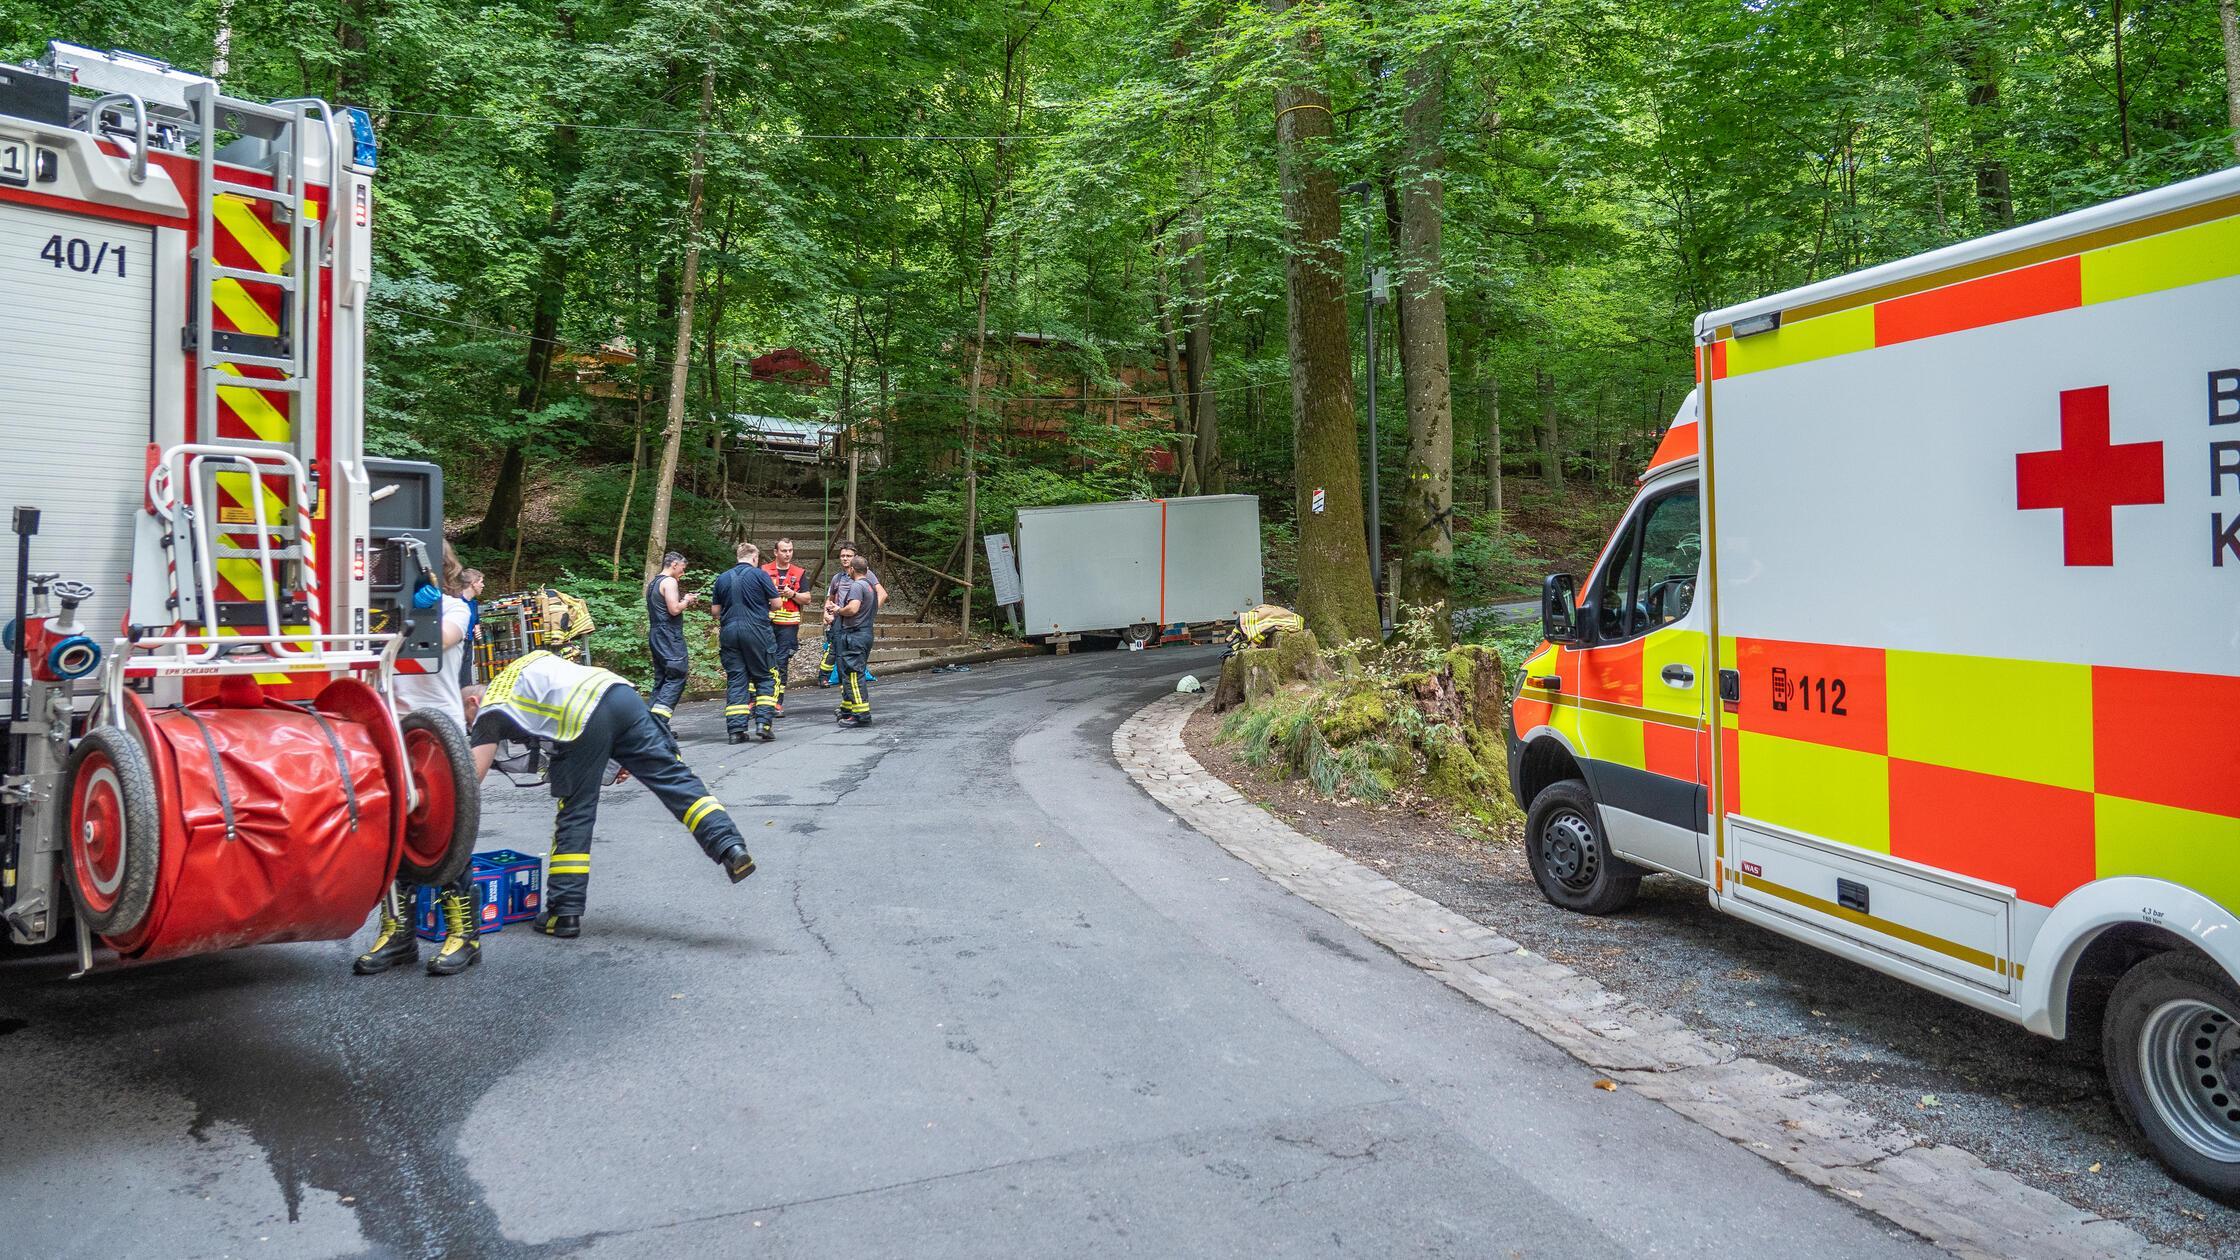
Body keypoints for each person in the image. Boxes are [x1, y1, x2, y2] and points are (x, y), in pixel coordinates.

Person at [469, 649, 757, 938]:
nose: (471, 729)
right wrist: (618, 751)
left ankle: (563, 912)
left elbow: (470, 780)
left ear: (473, 702)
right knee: (675, 780)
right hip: (619, 695)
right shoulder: (525, 667)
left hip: (582, 716)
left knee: (576, 810)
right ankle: (729, 846)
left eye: (467, 722)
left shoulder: (490, 706)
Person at [358, 561, 487, 977]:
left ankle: (464, 937)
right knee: (396, 837)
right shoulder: (376, 612)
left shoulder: (455, 609)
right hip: (393, 732)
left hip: (439, 736)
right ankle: (398, 936)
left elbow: (438, 640)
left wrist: (413, 614)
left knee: (448, 837)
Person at [713, 541, 785, 743]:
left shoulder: (722, 578)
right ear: (754, 558)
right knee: (766, 676)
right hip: (756, 631)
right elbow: (777, 603)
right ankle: (763, 723)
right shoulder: (760, 575)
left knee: (737, 679)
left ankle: (736, 731)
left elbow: (715, 611)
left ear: (738, 557)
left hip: (729, 631)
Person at [817, 541, 886, 686]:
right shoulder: (837, 578)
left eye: (848, 556)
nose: (845, 558)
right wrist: (826, 614)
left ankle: (850, 680)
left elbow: (882, 594)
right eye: (842, 555)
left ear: (855, 558)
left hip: (857, 623)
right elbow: (830, 599)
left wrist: (869, 613)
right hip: (839, 619)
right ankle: (824, 677)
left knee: (852, 652)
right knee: (833, 649)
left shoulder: (865, 574)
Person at [645, 551, 694, 734]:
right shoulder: (670, 582)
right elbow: (674, 609)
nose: (683, 572)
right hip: (669, 634)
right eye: (682, 568)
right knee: (676, 674)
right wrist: (687, 600)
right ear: (674, 564)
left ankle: (650, 724)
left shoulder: (653, 583)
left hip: (656, 633)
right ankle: (659, 723)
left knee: (662, 678)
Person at [830, 555, 879, 726]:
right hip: (865, 632)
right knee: (852, 672)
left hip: (855, 635)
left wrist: (838, 609)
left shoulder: (857, 586)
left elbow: (852, 608)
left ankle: (861, 715)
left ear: (852, 569)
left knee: (853, 675)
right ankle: (848, 709)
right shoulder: (870, 585)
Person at [761, 538, 807, 715]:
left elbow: (807, 598)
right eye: (784, 550)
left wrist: (792, 594)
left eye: (790, 550)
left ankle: (776, 703)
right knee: (762, 660)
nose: (788, 554)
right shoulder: (764, 571)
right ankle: (756, 700)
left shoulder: (799, 572)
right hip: (766, 623)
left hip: (788, 626)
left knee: (781, 663)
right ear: (775, 552)